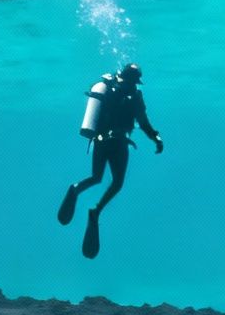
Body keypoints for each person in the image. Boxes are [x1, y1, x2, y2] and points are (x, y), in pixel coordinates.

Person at [57, 62, 162, 258]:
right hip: (112, 142)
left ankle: (82, 197)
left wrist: (155, 137)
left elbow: (142, 122)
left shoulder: (122, 93)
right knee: (109, 181)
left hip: (109, 142)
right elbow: (143, 122)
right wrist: (155, 138)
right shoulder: (127, 94)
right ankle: (87, 203)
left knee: (105, 180)